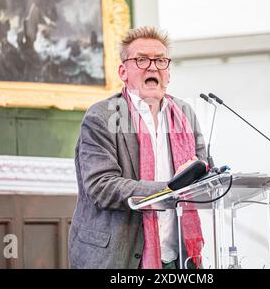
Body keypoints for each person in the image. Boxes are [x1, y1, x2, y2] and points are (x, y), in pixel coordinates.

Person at [69, 26, 206, 269]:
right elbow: (102, 186)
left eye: (161, 60)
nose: (153, 67)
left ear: (168, 72)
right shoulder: (101, 117)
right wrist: (170, 190)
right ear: (123, 71)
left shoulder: (185, 114)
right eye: (141, 60)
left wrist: (204, 174)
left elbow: (204, 171)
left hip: (178, 257)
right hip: (117, 258)